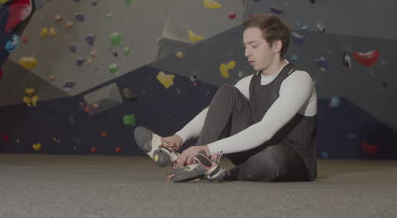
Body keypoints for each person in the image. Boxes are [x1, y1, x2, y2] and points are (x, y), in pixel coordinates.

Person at [134, 14, 317, 183]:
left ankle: (223, 172)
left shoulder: (299, 79)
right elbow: (214, 111)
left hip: (291, 161)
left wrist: (209, 149)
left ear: (276, 46)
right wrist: (179, 137)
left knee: (274, 159)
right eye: (245, 47)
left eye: (254, 46)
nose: (247, 53)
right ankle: (198, 163)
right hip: (255, 151)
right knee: (227, 92)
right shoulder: (249, 82)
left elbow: (265, 130)